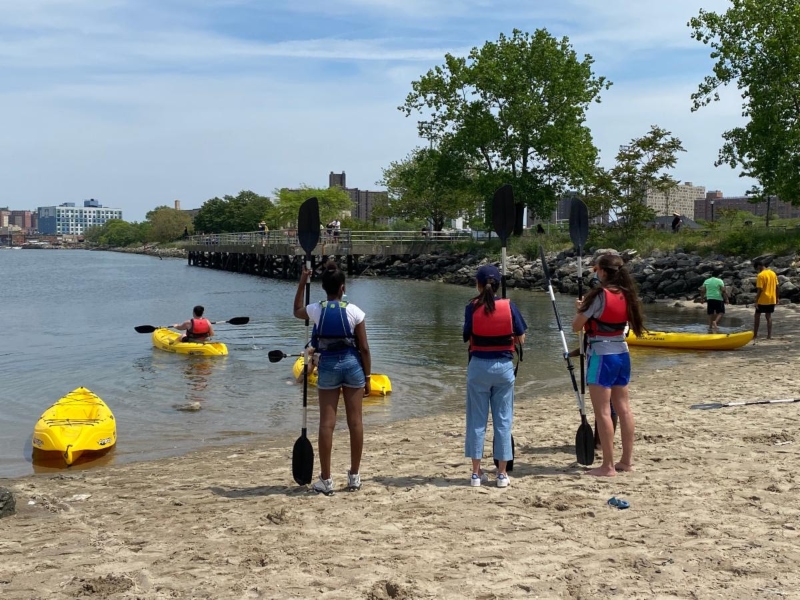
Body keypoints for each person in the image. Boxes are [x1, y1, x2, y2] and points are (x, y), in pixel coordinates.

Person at [293, 261, 371, 495]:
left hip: (327, 366)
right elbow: (364, 348)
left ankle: (326, 480)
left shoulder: (316, 309)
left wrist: (301, 283)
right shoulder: (354, 311)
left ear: (325, 288)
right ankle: (354, 476)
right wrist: (367, 376)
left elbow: (296, 311)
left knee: (327, 424)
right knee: (355, 422)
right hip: (352, 365)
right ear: (342, 288)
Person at [572, 253, 645, 477]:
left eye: (596, 269)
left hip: (602, 355)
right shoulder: (627, 294)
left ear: (603, 271)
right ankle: (626, 461)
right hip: (622, 353)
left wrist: (581, 309)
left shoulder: (599, 296)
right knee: (624, 409)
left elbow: (577, 326)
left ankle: (608, 466)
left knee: (603, 412)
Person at [463, 264, 527, 488]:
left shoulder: (471, 307)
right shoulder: (510, 307)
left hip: (478, 367)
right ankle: (502, 474)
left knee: (476, 421)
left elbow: (466, 335)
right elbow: (521, 338)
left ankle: (475, 473)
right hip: (503, 368)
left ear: (478, 285)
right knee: (503, 421)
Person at [753, 259, 779, 340]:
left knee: (757, 316)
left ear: (759, 266)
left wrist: (756, 300)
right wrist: (777, 297)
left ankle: (755, 335)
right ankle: (769, 336)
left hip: (763, 299)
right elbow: (777, 287)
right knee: (768, 316)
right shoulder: (773, 273)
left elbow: (760, 289)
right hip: (772, 298)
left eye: (757, 268)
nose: (757, 270)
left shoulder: (761, 275)